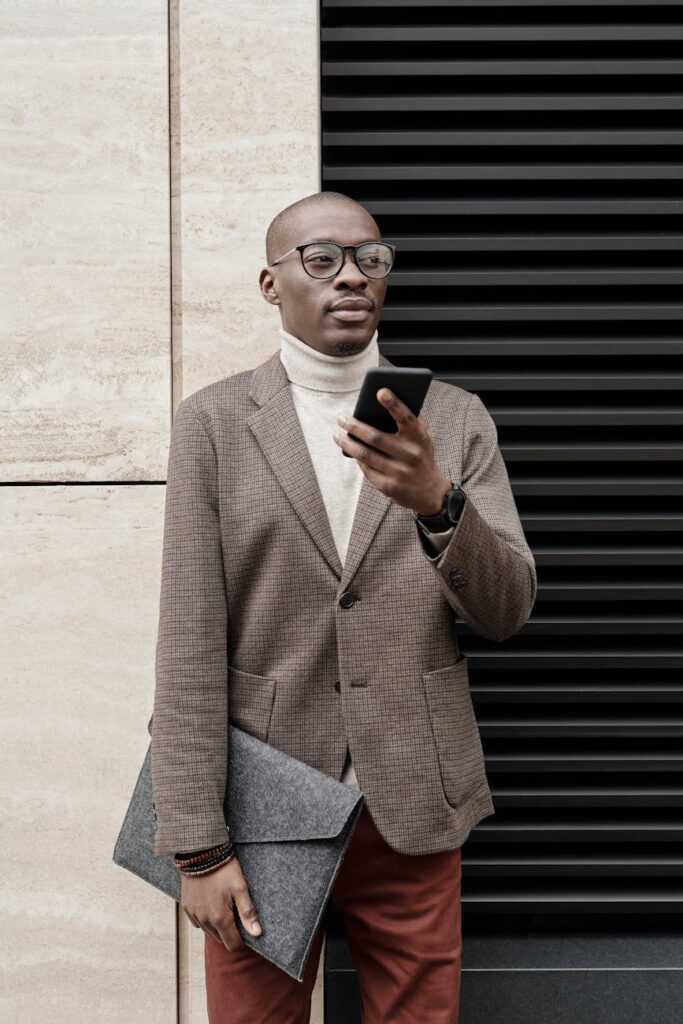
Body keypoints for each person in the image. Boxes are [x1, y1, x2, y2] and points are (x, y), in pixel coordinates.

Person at [150, 190, 537, 1023]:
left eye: (370, 258)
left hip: (414, 798)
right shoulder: (213, 423)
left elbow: (507, 610)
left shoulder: (454, 419)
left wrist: (439, 504)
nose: (351, 276)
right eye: (321, 259)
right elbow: (187, 639)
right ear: (271, 283)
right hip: (263, 807)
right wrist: (196, 844)